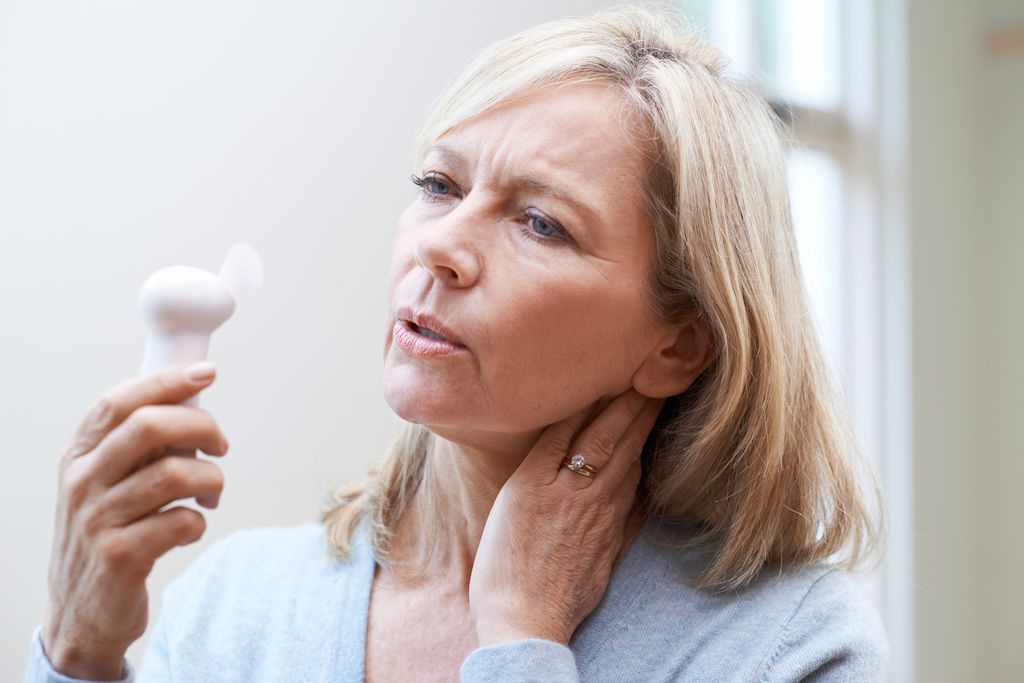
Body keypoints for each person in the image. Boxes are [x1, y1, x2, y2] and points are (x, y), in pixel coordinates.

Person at [26, 5, 888, 682]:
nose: (440, 244)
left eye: (541, 222)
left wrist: (523, 641)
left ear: (679, 346)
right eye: (440, 183)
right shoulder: (235, 608)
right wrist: (78, 646)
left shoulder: (783, 646)